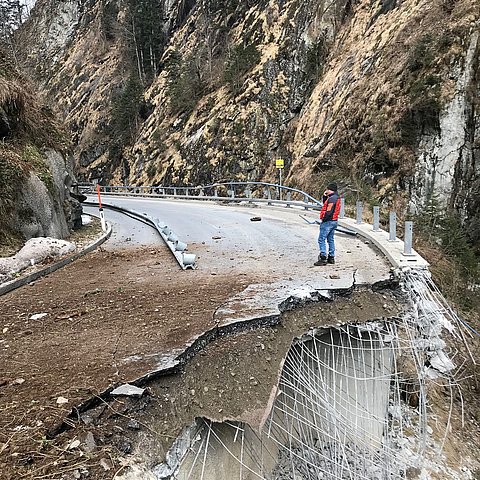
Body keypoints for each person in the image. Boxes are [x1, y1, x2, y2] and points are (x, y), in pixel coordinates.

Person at [314, 182, 341, 266]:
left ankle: (323, 257)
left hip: (328, 221)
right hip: (334, 221)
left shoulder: (332, 199)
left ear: (331, 190)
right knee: (330, 239)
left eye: (327, 189)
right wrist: (325, 196)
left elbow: (328, 211)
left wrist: (324, 219)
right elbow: (326, 204)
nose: (326, 190)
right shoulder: (335, 198)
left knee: (321, 239)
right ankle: (331, 257)